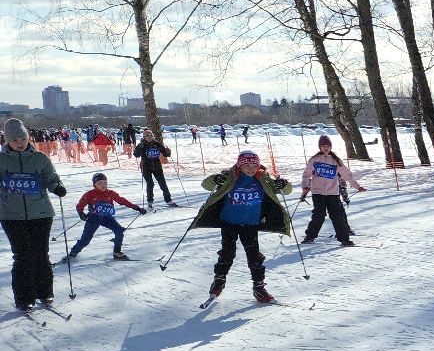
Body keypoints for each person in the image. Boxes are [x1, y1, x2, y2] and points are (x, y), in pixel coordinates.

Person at [191, 149, 292, 304]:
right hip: (229, 222)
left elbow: (287, 191)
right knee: (227, 254)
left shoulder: (263, 179)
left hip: (251, 223)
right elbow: (206, 184)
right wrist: (216, 179)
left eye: (254, 165)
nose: (251, 169)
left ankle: (259, 287)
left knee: (254, 256)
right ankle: (219, 281)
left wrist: (283, 184)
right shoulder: (230, 177)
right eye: (247, 165)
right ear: (240, 165)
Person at [1, 117, 66, 311]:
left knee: (40, 254)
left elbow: (51, 178)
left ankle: (44, 292)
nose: (19, 144)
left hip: (41, 213)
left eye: (22, 139)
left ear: (28, 138)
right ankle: (24, 298)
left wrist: (57, 187)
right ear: (7, 141)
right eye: (15, 140)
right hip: (12, 215)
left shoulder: (39, 158)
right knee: (22, 255)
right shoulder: (1, 160)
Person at [300, 135, 366, 245]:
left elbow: (347, 175)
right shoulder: (314, 160)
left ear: (330, 147)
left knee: (337, 216)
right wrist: (305, 186)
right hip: (318, 192)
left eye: (328, 146)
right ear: (320, 147)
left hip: (332, 193)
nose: (326, 148)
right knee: (318, 215)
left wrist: (357, 186)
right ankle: (309, 237)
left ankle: (344, 239)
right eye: (323, 146)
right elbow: (306, 175)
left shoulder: (335, 160)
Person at [69, 173, 145, 261]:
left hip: (107, 218)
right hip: (93, 218)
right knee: (85, 240)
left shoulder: (111, 193)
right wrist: (81, 213)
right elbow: (80, 205)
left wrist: (137, 208)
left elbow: (123, 201)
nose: (103, 185)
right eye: (100, 183)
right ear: (94, 184)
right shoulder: (90, 194)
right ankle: (72, 254)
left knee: (119, 231)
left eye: (105, 183)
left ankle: (117, 252)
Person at [135, 128, 176, 207]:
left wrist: (168, 152)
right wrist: (139, 148)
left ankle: (168, 200)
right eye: (147, 136)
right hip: (146, 167)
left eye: (150, 135)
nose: (149, 137)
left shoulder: (157, 144)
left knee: (162, 183)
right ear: (144, 137)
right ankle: (150, 201)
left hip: (157, 166)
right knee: (150, 183)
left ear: (152, 136)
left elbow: (165, 153)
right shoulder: (141, 145)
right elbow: (136, 155)